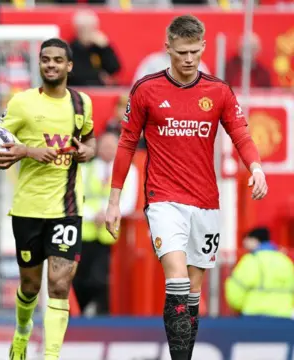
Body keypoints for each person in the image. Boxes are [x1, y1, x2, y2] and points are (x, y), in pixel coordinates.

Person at [104, 15, 268, 360]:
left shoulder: (219, 91)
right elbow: (126, 143)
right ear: (168, 49)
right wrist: (114, 201)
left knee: (192, 291)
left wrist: (255, 167)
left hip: (206, 202)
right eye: (181, 52)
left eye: (194, 51)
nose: (188, 59)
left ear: (203, 47)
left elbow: (240, 133)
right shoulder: (147, 89)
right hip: (163, 200)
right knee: (176, 279)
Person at [0, 38, 96, 360]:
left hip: (66, 209)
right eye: (45, 59)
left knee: (60, 284)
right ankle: (22, 332)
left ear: (69, 66)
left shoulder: (82, 103)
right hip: (28, 208)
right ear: (40, 64)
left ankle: (51, 355)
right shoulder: (22, 103)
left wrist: (86, 152)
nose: (51, 65)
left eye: (57, 60)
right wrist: (26, 150)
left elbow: (89, 139)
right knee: (31, 286)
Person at [74, 130, 138, 317]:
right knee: (81, 276)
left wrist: (108, 215)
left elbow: (128, 202)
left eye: (113, 146)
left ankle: (102, 312)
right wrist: (94, 215)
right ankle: (82, 312)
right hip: (86, 232)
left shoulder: (129, 170)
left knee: (106, 278)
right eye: (105, 145)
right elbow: (77, 199)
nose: (108, 149)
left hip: (112, 235)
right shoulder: (85, 169)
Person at [225, 227, 294, 317]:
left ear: (254, 240)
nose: (244, 243)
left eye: (246, 239)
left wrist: (239, 307)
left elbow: (236, 289)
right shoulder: (285, 260)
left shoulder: (251, 261)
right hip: (285, 316)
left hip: (255, 315)